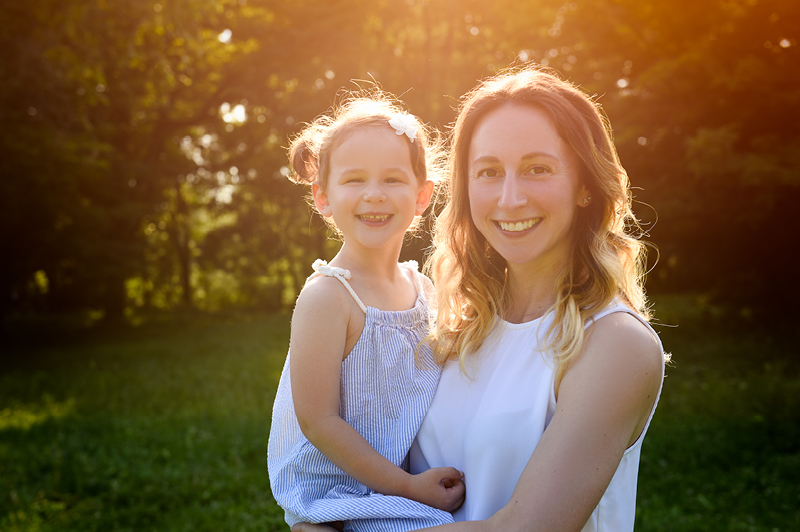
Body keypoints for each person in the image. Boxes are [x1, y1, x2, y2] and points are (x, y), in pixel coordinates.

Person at [406, 66, 667, 531]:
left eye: (537, 169)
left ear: (586, 185)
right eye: (488, 172)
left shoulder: (614, 344)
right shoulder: (451, 325)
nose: (509, 199)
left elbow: (524, 527)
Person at [267, 94, 466, 532]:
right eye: (354, 179)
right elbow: (318, 422)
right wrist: (408, 488)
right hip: (334, 488)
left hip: (392, 479)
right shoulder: (329, 298)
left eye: (392, 179)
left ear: (421, 196)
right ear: (323, 197)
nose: (374, 195)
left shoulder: (424, 291)